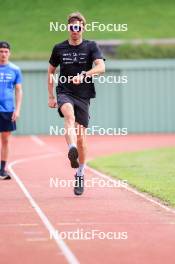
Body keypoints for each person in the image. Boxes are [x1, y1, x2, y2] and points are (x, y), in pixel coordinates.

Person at [48, 12, 105, 195]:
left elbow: (101, 67)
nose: (75, 30)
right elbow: (50, 72)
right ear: (68, 28)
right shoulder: (59, 48)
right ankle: (70, 148)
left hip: (84, 95)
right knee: (68, 115)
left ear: (83, 28)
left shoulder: (91, 46)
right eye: (72, 27)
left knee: (81, 138)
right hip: (64, 91)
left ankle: (80, 173)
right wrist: (51, 95)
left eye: (78, 27)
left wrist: (84, 75)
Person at [0, 41, 23, 180]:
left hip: (8, 110)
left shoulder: (15, 69)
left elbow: (19, 91)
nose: (3, 54)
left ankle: (2, 169)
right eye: (1, 51)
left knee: (6, 140)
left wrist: (17, 110)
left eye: (5, 51)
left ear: (9, 53)